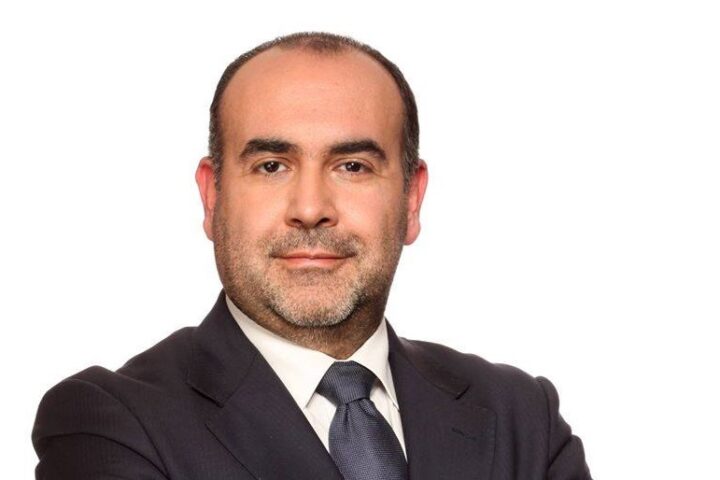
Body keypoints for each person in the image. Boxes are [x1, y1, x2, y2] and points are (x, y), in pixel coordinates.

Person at [32, 32, 592, 480]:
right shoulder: (109, 425)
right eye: (271, 166)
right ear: (212, 197)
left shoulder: (522, 416)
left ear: (411, 200)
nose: (310, 209)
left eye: (352, 166)